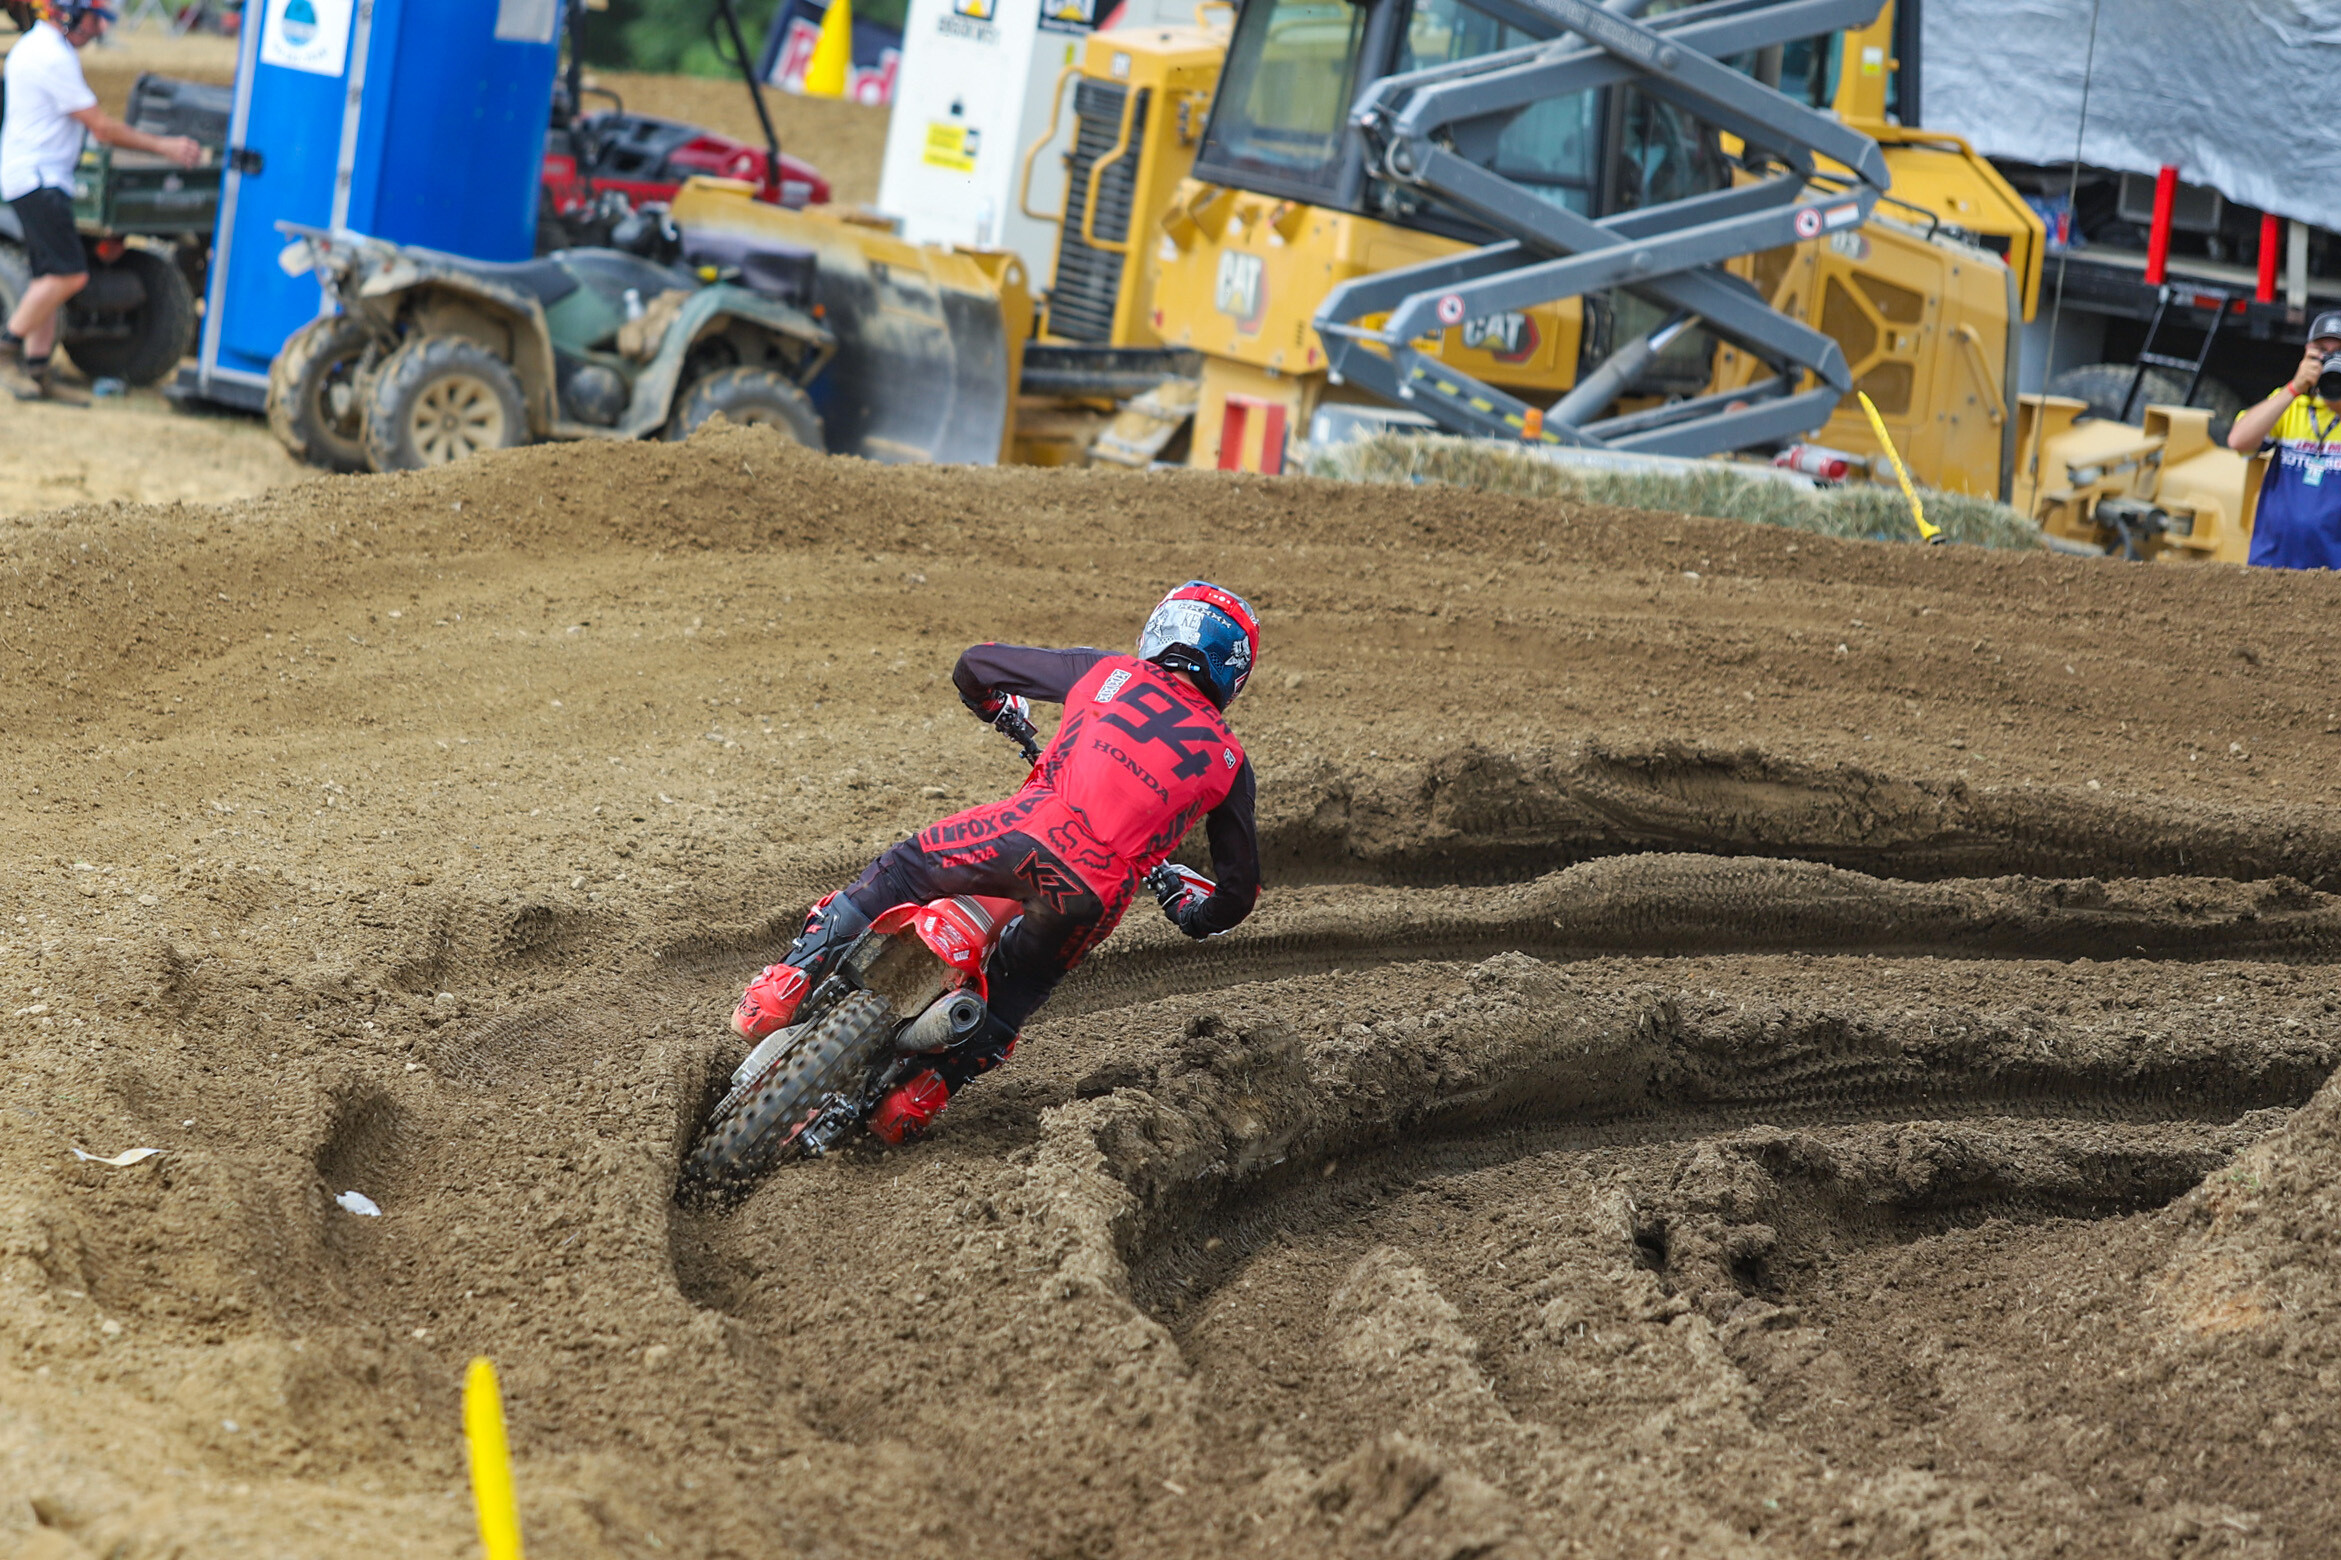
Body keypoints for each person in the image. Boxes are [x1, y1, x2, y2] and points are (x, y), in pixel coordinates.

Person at [730, 581, 1264, 1144]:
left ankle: (784, 984)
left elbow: (975, 664)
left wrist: (993, 706)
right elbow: (1240, 891)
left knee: (903, 870)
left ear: (1165, 628)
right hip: (1091, 893)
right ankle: (920, 1094)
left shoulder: (1110, 672)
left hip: (1018, 834)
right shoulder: (1231, 763)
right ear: (1232, 671)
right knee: (1019, 987)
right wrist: (1192, 912)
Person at [0, 0, 201, 402]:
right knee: (68, 276)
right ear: (71, 15)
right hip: (39, 179)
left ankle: (39, 373)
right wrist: (166, 146)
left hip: (35, 176)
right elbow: (103, 128)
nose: (98, 29)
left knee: (47, 277)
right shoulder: (51, 56)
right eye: (95, 19)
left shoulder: (38, 47)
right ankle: (7, 352)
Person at [2227, 310, 2341, 569]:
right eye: (2322, 350)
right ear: (2307, 352)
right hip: (2273, 566)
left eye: (2339, 352)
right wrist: (2294, 388)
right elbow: (2239, 441)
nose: (2331, 359)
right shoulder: (2290, 402)